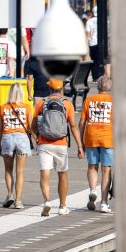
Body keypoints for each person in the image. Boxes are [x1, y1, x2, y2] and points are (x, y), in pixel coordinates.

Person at [34, 78, 83, 217]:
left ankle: (47, 201)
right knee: (62, 174)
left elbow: (32, 124)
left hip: (44, 143)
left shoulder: (42, 103)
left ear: (49, 89)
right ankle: (62, 206)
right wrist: (80, 146)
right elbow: (73, 126)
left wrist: (36, 138)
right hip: (61, 144)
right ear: (61, 89)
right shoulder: (67, 104)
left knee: (45, 174)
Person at [0, 83, 34, 210]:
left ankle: (9, 194)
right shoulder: (27, 107)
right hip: (22, 138)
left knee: (8, 170)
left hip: (7, 138)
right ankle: (18, 201)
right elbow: (30, 127)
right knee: (20, 171)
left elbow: (0, 129)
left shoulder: (2, 108)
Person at [81, 76, 115, 214]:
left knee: (92, 166)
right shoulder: (114, 101)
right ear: (109, 87)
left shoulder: (89, 100)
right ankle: (104, 203)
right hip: (108, 138)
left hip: (91, 137)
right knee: (106, 170)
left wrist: (81, 142)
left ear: (98, 87)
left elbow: (82, 122)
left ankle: (93, 190)